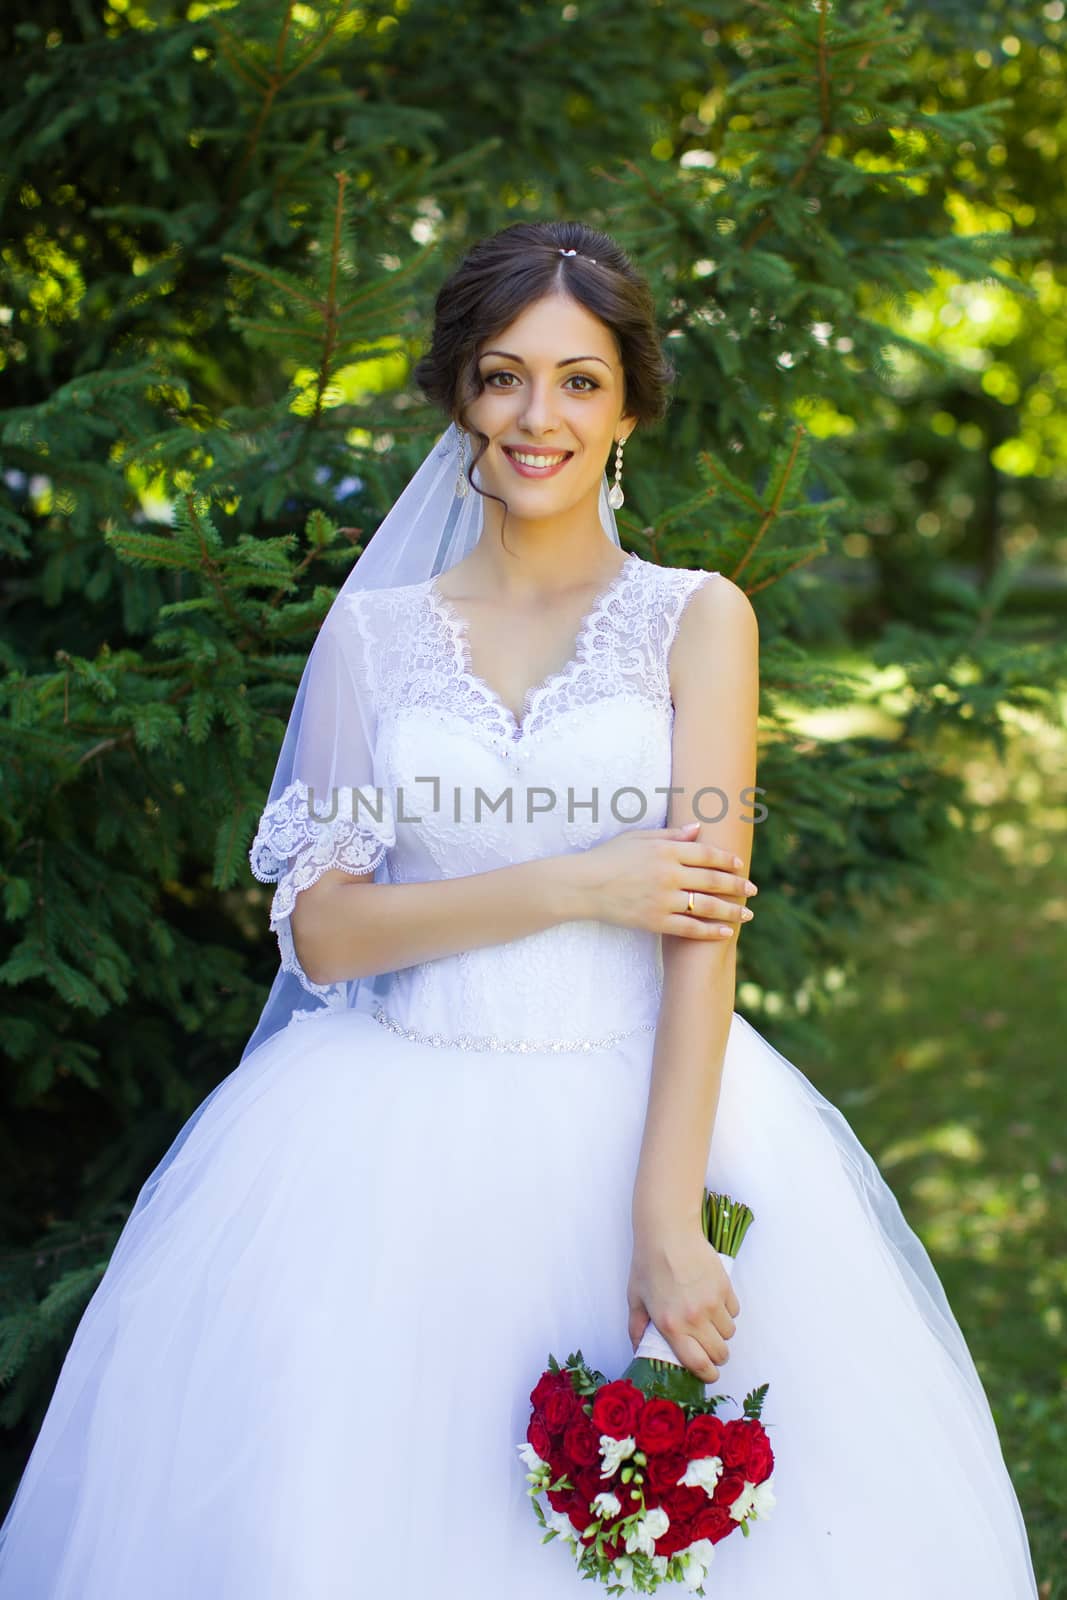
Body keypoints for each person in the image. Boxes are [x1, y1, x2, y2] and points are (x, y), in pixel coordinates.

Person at [0, 221, 1039, 1599]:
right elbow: (327, 933)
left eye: (579, 381)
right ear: (457, 397)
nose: (537, 415)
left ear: (628, 409)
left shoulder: (698, 619)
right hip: (379, 1128)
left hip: (646, 1098)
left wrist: (670, 1213)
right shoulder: (372, 635)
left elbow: (703, 923)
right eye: (502, 377)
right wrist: (575, 880)